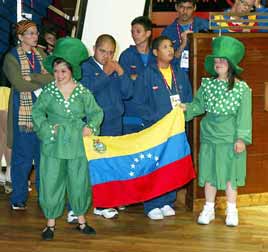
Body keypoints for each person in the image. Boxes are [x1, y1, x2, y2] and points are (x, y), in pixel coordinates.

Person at [32, 37, 103, 240]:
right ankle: (50, 224)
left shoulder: (82, 92)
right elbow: (37, 113)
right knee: (51, 180)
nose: (58, 75)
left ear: (72, 71)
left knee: (79, 181)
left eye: (63, 71)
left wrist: (90, 127)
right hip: (53, 143)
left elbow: (96, 113)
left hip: (76, 144)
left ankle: (81, 221)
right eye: (55, 71)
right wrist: (47, 129)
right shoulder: (49, 91)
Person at [180, 36, 252, 227]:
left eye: (223, 60)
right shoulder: (207, 84)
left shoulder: (242, 88)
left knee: (230, 176)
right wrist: (186, 109)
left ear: (231, 64)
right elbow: (198, 105)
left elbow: (245, 116)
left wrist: (241, 139)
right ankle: (209, 208)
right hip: (209, 137)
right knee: (209, 174)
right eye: (216, 60)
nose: (219, 63)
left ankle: (231, 209)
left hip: (230, 139)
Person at [132, 35, 192, 220]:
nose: (170, 50)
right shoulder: (147, 74)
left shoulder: (179, 73)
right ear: (156, 52)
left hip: (175, 129)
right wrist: (155, 118)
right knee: (154, 166)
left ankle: (167, 201)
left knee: (170, 165)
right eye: (165, 47)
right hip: (155, 128)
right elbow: (139, 103)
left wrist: (185, 110)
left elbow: (188, 98)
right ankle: (152, 203)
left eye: (171, 46)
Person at [80, 34, 133, 219]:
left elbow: (128, 93)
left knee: (110, 163)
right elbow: (86, 91)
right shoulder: (85, 66)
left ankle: (106, 202)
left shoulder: (115, 66)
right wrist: (106, 74)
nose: (106, 56)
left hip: (114, 122)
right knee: (94, 163)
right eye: (102, 51)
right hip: (95, 123)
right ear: (94, 48)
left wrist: (121, 73)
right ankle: (95, 204)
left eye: (110, 52)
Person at [3, 20, 53, 210]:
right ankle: (18, 198)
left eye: (36, 33)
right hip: (23, 115)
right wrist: (40, 80)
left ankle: (44, 198)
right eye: (31, 33)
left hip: (44, 115)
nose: (35, 36)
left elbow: (51, 78)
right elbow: (19, 84)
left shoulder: (41, 54)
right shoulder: (11, 57)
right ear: (20, 36)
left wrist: (32, 77)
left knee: (43, 158)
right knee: (22, 160)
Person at [119, 16, 155, 134]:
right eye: (132, 32)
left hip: (151, 115)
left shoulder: (156, 56)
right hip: (130, 113)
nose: (134, 35)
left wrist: (136, 78)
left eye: (138, 31)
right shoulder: (126, 55)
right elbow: (123, 84)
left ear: (148, 33)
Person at [161, 0, 208, 71]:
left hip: (202, 72)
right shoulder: (167, 32)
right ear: (176, 7)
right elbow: (164, 61)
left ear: (194, 8)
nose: (185, 11)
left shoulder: (205, 25)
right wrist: (182, 45)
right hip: (178, 75)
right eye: (181, 7)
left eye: (189, 8)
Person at [0, 85, 12, 193]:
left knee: (3, 134)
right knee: (7, 132)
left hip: (6, 89)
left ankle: (7, 175)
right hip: (5, 89)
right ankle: (9, 176)